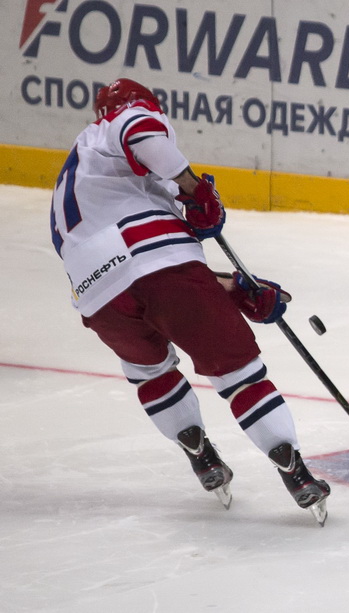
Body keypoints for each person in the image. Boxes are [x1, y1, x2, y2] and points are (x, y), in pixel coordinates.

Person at [49, 78, 329, 521]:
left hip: (95, 294)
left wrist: (234, 289)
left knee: (149, 371)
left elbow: (132, 266)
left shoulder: (83, 175)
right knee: (239, 372)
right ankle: (293, 468)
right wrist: (194, 189)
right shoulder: (113, 127)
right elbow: (142, 135)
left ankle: (199, 451)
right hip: (161, 268)